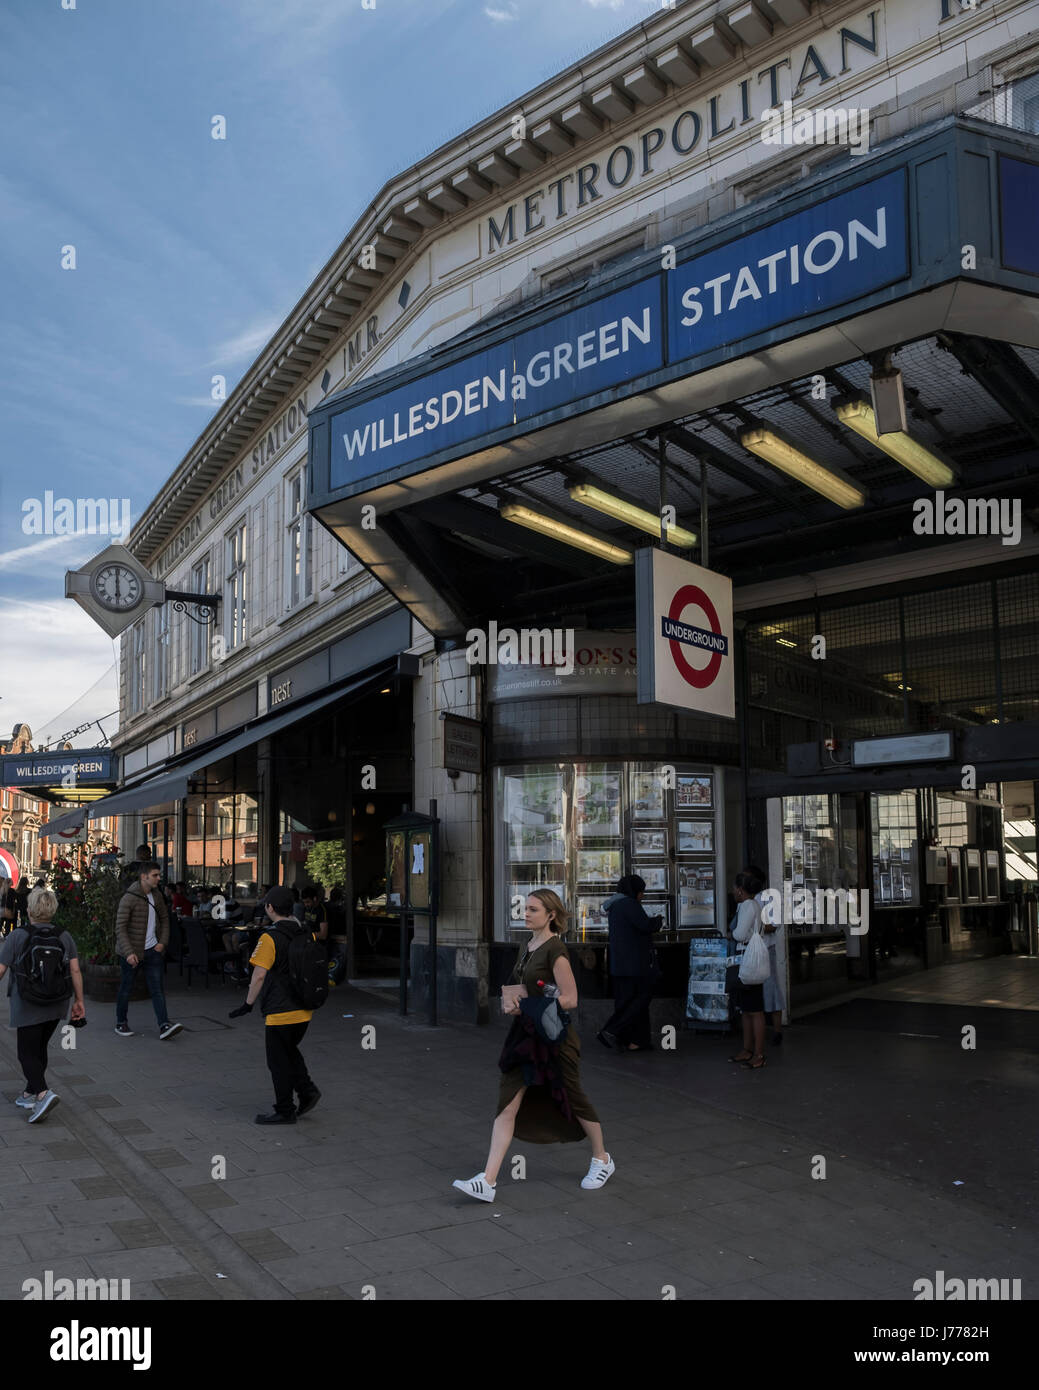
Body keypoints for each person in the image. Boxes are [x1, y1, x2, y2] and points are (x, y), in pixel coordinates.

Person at [453, 890, 613, 1201]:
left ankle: (602, 1159)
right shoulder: (526, 946)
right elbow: (526, 987)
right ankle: (487, 1181)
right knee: (507, 1102)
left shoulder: (557, 951)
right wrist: (513, 999)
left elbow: (570, 998)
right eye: (524, 908)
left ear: (551, 915)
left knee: (574, 1096)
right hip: (525, 1038)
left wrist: (530, 1003)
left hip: (555, 1040)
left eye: (533, 909)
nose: (525, 914)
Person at [228, 886, 320, 1124]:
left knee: (277, 1062)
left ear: (270, 908)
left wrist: (247, 1004)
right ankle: (307, 1091)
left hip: (280, 1012)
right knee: (290, 1051)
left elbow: (258, 976)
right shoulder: (306, 932)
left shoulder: (270, 937)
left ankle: (285, 1110)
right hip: (304, 1009)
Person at [0, 887, 85, 1122]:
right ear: (52, 909)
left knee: (25, 1053)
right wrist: (79, 1001)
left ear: (29, 909)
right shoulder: (64, 936)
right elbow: (75, 969)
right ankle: (29, 1092)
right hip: (57, 1003)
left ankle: (43, 1094)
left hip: (27, 1003)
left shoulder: (17, 936)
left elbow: (1, 969)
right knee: (39, 1049)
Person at [114, 862, 182, 1041]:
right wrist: (129, 953)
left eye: (159, 875)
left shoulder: (157, 895)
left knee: (157, 989)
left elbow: (165, 919)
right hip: (132, 953)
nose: (159, 878)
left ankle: (164, 1024)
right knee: (126, 989)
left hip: (153, 951)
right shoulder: (129, 898)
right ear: (144, 877)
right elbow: (120, 927)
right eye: (155, 875)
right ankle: (121, 1022)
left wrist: (162, 943)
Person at [598, 875, 661, 1052]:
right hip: (636, 964)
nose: (642, 896)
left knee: (626, 1001)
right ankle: (612, 1031)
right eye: (641, 892)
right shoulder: (629, 904)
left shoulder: (615, 905)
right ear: (634, 891)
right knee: (641, 999)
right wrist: (658, 921)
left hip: (621, 964)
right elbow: (645, 925)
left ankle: (635, 1041)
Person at [728, 868, 767, 1069]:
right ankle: (748, 1049)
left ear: (741, 890)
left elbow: (741, 934)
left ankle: (757, 1054)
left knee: (754, 1010)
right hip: (750, 961)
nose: (733, 891)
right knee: (747, 1009)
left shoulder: (747, 906)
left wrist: (731, 932)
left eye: (735, 888)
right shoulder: (753, 905)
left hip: (747, 962)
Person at [743, 862, 784, 1045]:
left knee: (771, 989)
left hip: (766, 950)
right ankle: (751, 1036)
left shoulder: (768, 899)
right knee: (749, 993)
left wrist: (754, 928)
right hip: (748, 951)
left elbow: (773, 925)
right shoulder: (744, 899)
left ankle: (777, 1030)